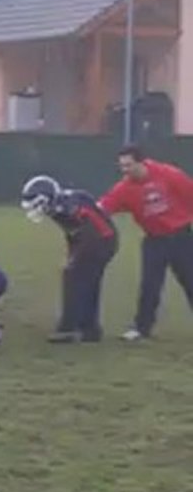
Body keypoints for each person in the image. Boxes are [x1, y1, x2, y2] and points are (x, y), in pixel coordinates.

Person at [97, 145, 193, 340]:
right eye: (122, 166)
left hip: (181, 237)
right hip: (154, 240)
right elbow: (103, 207)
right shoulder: (124, 188)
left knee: (190, 281)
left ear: (141, 162)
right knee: (150, 286)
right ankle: (142, 328)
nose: (125, 170)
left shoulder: (170, 174)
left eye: (129, 165)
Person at [22, 174, 117, 343]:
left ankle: (68, 329)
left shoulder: (70, 206)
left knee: (74, 279)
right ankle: (90, 329)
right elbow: (73, 233)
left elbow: (89, 233)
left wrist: (75, 259)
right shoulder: (61, 205)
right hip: (100, 239)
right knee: (87, 282)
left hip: (100, 240)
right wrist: (72, 254)